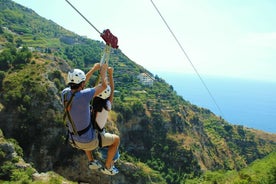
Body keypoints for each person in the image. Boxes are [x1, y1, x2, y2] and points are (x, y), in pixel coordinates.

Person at [61, 63, 120, 175]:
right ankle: (108, 166)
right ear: (82, 83)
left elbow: (81, 85)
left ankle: (91, 161)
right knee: (116, 140)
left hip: (73, 140)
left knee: (84, 129)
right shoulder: (84, 96)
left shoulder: (64, 94)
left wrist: (93, 70)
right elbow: (103, 86)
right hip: (89, 142)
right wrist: (103, 73)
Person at [92, 67, 120, 163]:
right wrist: (110, 74)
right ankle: (109, 165)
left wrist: (102, 74)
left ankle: (94, 160)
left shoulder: (91, 102)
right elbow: (112, 90)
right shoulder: (107, 105)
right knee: (115, 151)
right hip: (98, 137)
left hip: (90, 133)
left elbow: (98, 89)